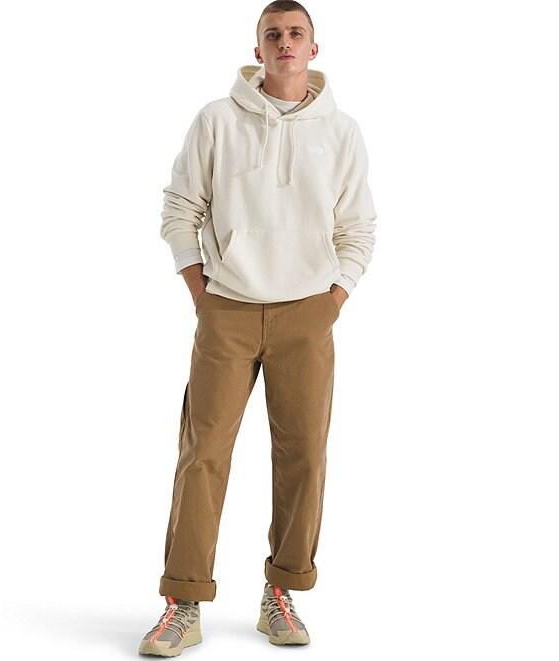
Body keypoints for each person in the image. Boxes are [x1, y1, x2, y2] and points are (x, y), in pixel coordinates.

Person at [139, 0, 377, 655]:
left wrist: (334, 298)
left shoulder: (342, 132)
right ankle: (183, 602)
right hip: (228, 309)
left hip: (309, 311)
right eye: (273, 34)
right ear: (258, 50)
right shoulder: (217, 120)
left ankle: (282, 592)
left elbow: (358, 225)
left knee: (304, 455)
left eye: (296, 33)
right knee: (203, 453)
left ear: (313, 49)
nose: (285, 42)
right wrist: (201, 291)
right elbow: (180, 207)